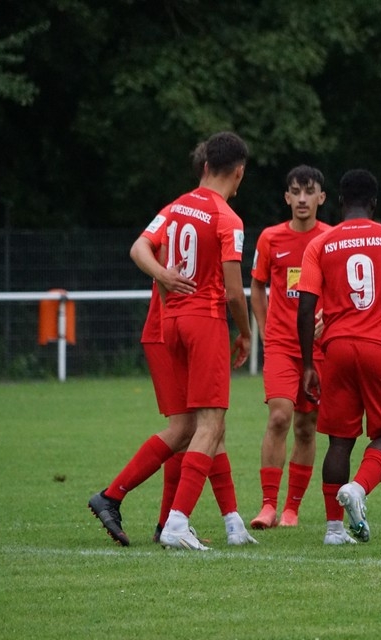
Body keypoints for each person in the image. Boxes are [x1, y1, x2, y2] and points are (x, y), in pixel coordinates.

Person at [86, 142, 214, 547]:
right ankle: (112, 496)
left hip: (179, 330)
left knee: (189, 428)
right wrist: (164, 274)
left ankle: (164, 523)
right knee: (186, 427)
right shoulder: (179, 210)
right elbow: (139, 247)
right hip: (166, 330)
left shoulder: (200, 213)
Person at [138, 130, 257, 550]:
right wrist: (245, 333)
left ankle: (232, 523)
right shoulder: (228, 218)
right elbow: (233, 292)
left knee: (207, 425)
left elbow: (138, 248)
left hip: (170, 323)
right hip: (204, 322)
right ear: (238, 173)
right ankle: (176, 522)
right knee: (208, 425)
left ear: (205, 165)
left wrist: (163, 275)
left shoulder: (175, 206)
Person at [297, 169, 381, 545]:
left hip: (337, 348)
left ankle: (334, 530)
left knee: (339, 440)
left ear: (339, 202)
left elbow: (305, 307)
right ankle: (359, 488)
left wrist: (308, 364)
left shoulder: (321, 243)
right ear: (375, 203)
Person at [249, 165, 330, 529]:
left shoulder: (330, 238)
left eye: (309, 192)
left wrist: (328, 318)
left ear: (321, 198)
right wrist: (266, 331)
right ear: (286, 197)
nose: (302, 199)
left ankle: (291, 509)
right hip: (281, 344)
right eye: (295, 192)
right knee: (280, 416)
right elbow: (257, 286)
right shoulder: (270, 238)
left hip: (319, 349)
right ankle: (268, 505)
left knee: (306, 426)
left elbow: (340, 288)